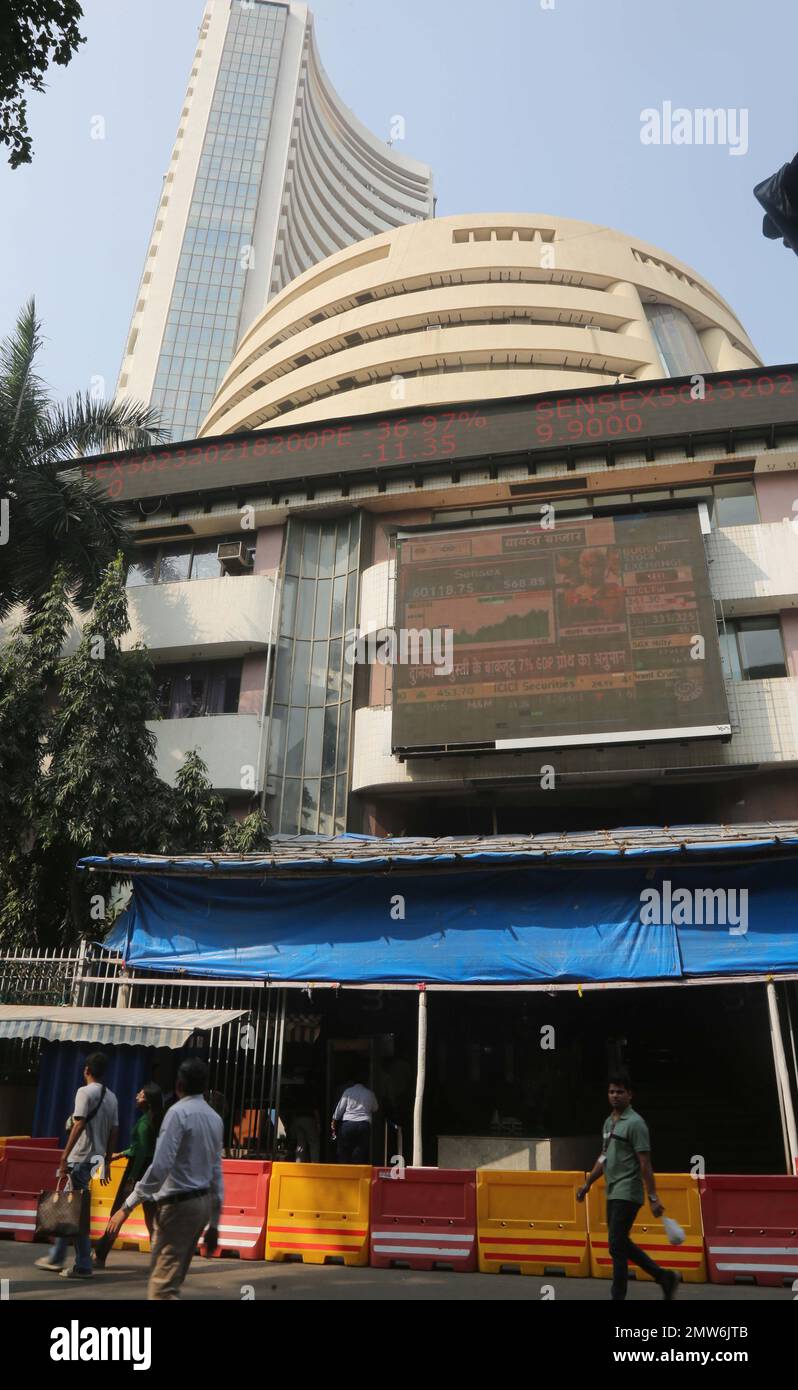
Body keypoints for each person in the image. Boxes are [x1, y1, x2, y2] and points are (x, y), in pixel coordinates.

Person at [105, 1057, 223, 1301]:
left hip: (178, 1206)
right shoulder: (215, 1118)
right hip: (201, 1205)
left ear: (179, 1085)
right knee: (171, 1282)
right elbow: (216, 1172)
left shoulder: (177, 1113)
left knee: (161, 1289)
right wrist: (214, 1222)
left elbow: (159, 1166)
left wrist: (126, 1206)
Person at [576, 1072, 680, 1301]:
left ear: (630, 1095)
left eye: (620, 1091)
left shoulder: (636, 1124)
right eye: (612, 1091)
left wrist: (653, 1197)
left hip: (629, 1191)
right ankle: (664, 1277)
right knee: (619, 1243)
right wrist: (588, 1184)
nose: (615, 1095)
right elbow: (604, 1156)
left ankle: (618, 1296)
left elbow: (645, 1163)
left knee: (616, 1244)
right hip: (613, 1190)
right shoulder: (608, 1122)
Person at [34, 1051, 118, 1280]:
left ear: (87, 1071)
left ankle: (82, 1264)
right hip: (95, 1159)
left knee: (78, 1212)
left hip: (79, 1157)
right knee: (70, 1206)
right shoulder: (111, 1097)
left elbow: (79, 1124)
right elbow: (114, 1132)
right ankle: (57, 1256)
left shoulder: (84, 1092)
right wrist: (107, 1162)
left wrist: (64, 1156)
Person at [93, 1082, 163, 1268]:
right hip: (151, 1171)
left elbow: (140, 1153)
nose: (136, 1097)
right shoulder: (154, 1120)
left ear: (147, 1101)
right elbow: (141, 1148)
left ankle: (100, 1256)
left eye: (140, 1095)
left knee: (117, 1213)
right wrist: (122, 1154)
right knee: (151, 1218)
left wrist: (131, 1179)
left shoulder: (143, 1123)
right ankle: (159, 1262)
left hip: (137, 1170)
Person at [331, 1071, 379, 1162]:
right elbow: (376, 1108)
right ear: (366, 1081)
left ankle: (346, 1171)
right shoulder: (370, 1093)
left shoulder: (348, 1091)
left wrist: (334, 1121)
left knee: (344, 1151)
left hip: (348, 1124)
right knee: (360, 1151)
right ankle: (358, 1172)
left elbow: (340, 1108)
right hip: (364, 1125)